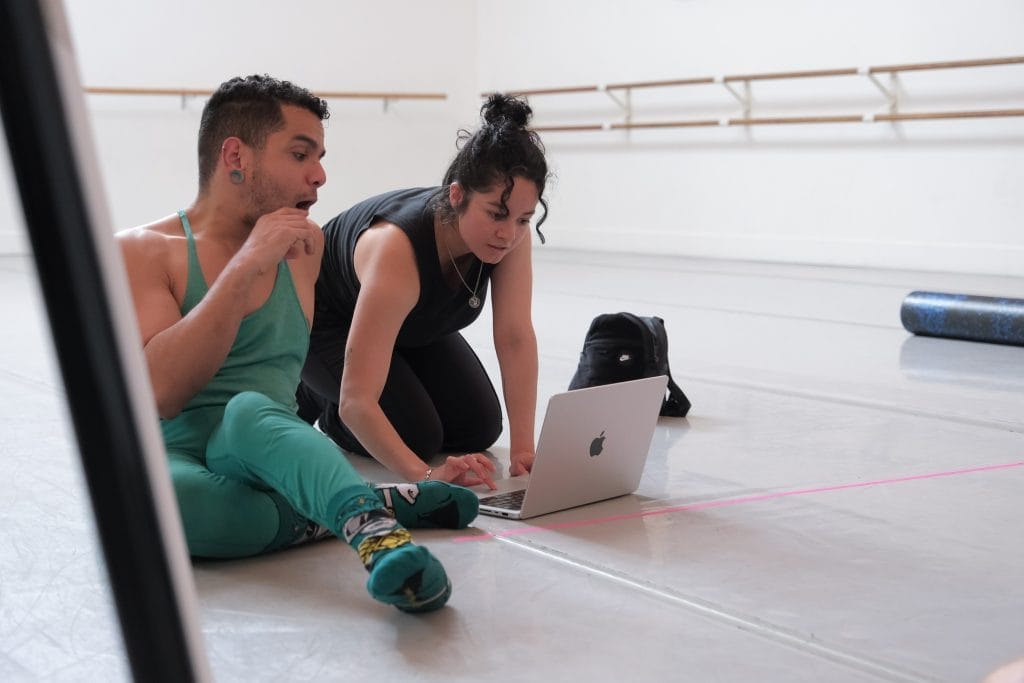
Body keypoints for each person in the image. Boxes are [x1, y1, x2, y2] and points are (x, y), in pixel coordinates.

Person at [117, 74, 478, 613]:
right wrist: (245, 266)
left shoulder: (306, 250)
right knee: (155, 509)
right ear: (236, 155)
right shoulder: (143, 251)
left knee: (247, 413)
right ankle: (362, 505)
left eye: (321, 156)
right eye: (300, 154)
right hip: (184, 460)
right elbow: (160, 394)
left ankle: (375, 534)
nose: (320, 175)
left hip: (266, 444)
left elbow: (289, 386)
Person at [296, 94, 550, 490]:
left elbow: (515, 336)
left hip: (407, 324)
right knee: (417, 437)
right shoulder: (396, 249)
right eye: (496, 214)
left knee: (478, 426)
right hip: (327, 321)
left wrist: (523, 450)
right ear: (456, 196)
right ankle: (318, 396)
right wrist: (426, 475)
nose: (508, 233)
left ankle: (375, 376)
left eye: (523, 218)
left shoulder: (510, 237)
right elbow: (358, 400)